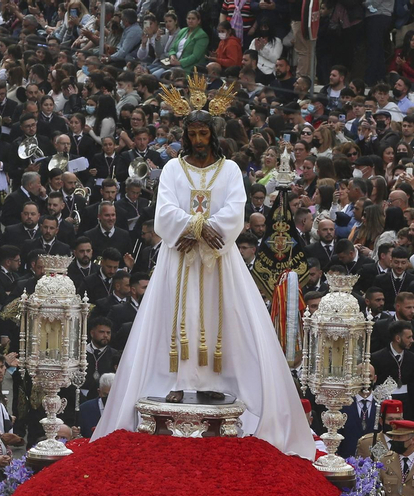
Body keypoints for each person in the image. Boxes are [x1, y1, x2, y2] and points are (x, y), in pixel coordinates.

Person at [93, 102, 312, 458]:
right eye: (192, 133)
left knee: (219, 319)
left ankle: (214, 383)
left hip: (217, 259)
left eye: (203, 133)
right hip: (179, 259)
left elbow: (235, 208)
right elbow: (163, 209)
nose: (197, 139)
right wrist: (195, 227)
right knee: (177, 319)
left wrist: (209, 230)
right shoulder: (173, 168)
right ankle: (178, 382)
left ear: (213, 134)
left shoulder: (228, 169)